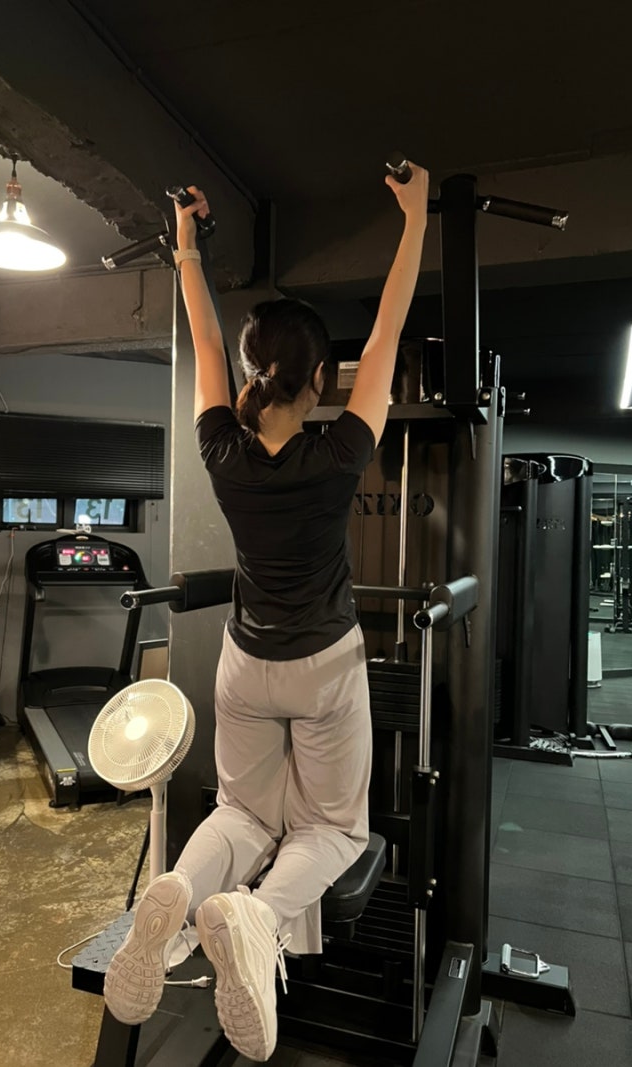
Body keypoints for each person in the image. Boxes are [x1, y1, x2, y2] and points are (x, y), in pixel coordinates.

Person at [104, 162, 429, 1061]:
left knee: (242, 814)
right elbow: (390, 328)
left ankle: (178, 891)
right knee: (334, 828)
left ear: (255, 374)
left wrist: (186, 243)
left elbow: (205, 335)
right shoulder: (341, 454)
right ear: (321, 376)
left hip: (243, 663)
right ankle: (256, 914)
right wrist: (415, 222)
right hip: (323, 664)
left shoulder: (221, 449)